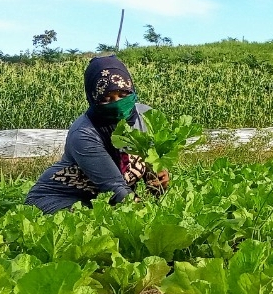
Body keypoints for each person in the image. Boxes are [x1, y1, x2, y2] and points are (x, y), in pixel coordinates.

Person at [25, 55, 169, 214]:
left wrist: (158, 175)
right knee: (88, 223)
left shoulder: (146, 117)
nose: (117, 104)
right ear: (93, 100)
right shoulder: (84, 133)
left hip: (96, 201)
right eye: (107, 99)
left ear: (132, 89)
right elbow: (116, 189)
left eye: (123, 95)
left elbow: (153, 158)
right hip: (56, 198)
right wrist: (150, 216)